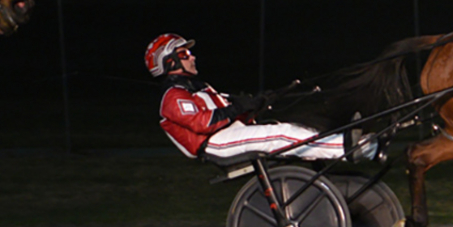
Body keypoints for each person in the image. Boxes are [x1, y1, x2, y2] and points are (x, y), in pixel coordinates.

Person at [144, 33, 375, 164]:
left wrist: (255, 104)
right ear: (170, 63)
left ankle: (367, 147)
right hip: (215, 145)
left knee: (289, 127)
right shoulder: (173, 97)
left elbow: (230, 112)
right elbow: (203, 123)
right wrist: (238, 109)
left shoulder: (199, 88)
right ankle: (346, 147)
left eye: (190, 52)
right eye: (184, 54)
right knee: (280, 134)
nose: (192, 57)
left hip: (228, 133)